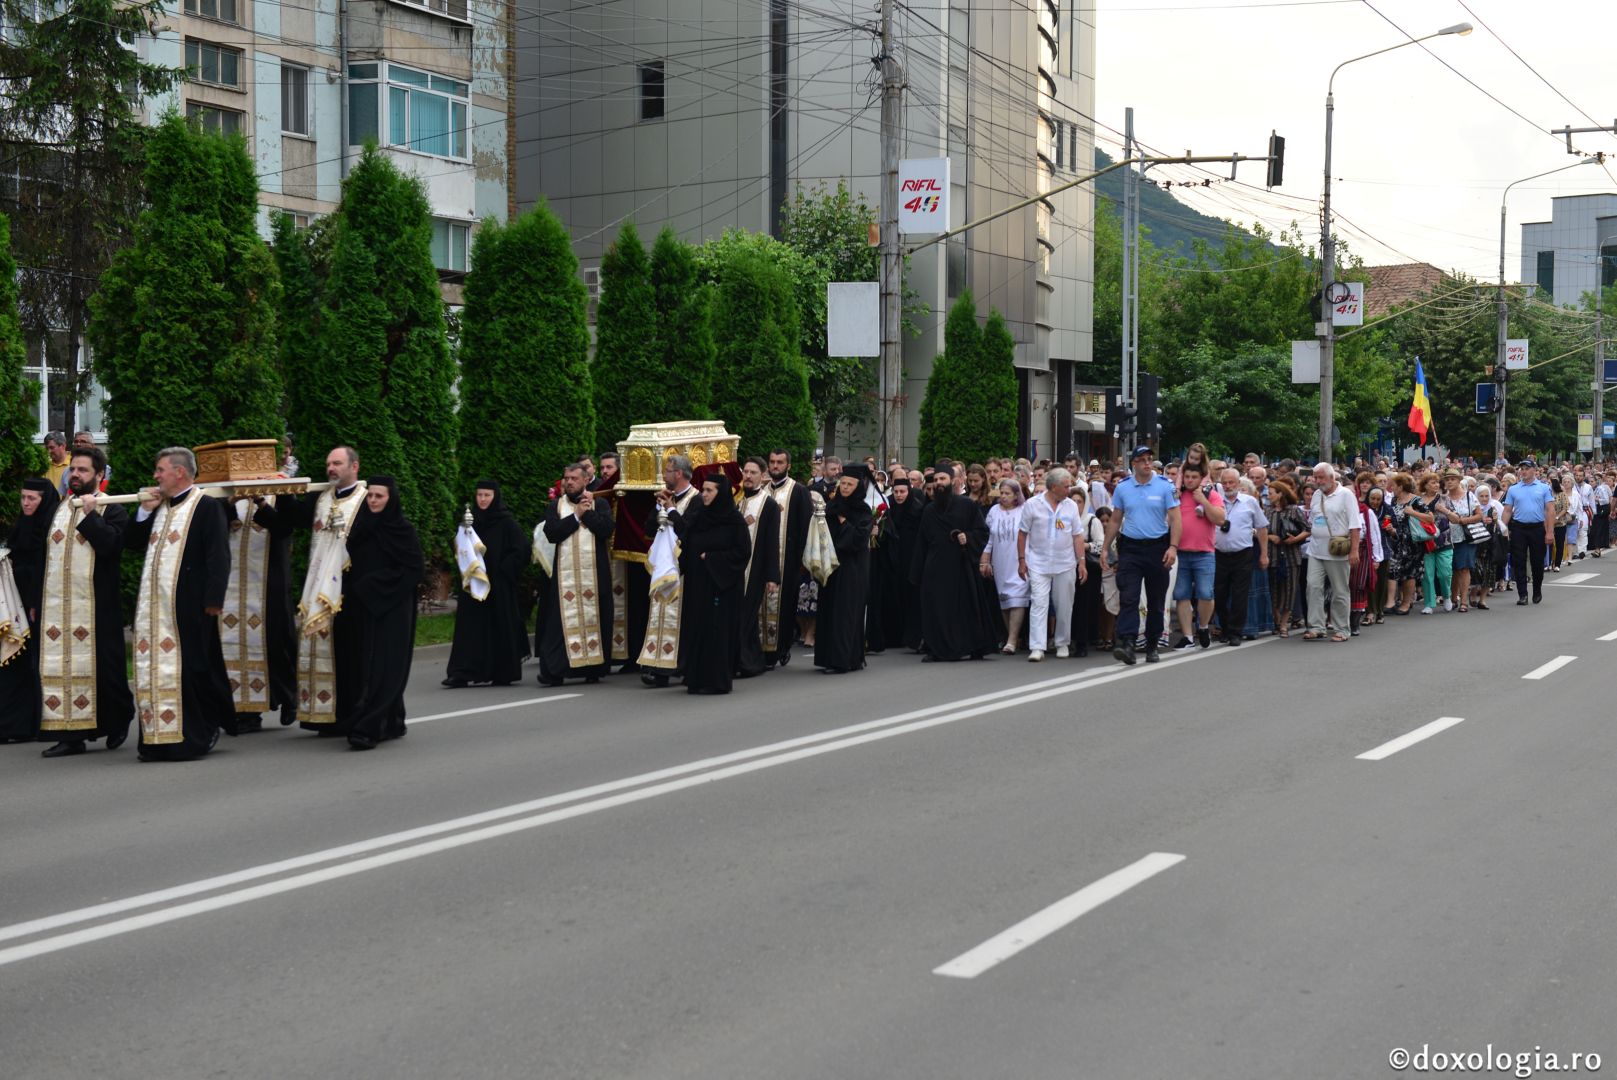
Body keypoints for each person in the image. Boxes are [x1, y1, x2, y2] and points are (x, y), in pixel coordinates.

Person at [124, 447, 235, 761]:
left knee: (192, 671)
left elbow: (218, 556)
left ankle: (196, 735)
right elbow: (131, 542)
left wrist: (214, 599)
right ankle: (157, 739)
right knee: (155, 673)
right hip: (155, 609)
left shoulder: (206, 506)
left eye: (160, 470)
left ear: (180, 472)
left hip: (191, 606)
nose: (155, 476)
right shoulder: (159, 506)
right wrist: (144, 511)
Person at [33, 448, 135, 755]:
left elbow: (111, 547)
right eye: (73, 469)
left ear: (99, 476)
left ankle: (119, 718)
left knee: (106, 670)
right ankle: (71, 734)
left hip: (96, 607)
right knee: (61, 668)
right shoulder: (59, 508)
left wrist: (91, 514)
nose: (75, 474)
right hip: (57, 609)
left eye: (83, 470)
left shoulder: (111, 509)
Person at [281, 447, 368, 734]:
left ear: (354, 466)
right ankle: (322, 715)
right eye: (329, 463)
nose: (331, 468)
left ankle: (348, 715)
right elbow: (290, 518)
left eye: (338, 463)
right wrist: (278, 490)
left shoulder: (365, 501)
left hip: (349, 594)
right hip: (318, 589)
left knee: (348, 656)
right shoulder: (320, 499)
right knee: (320, 649)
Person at [343, 476, 423, 750]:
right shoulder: (362, 527)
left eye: (380, 496)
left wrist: (373, 586)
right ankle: (392, 720)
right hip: (364, 608)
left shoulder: (402, 530)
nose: (374, 501)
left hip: (393, 608)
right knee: (366, 665)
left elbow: (413, 569)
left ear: (391, 499)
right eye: (371, 496)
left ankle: (368, 728)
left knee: (385, 666)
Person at [444, 480, 531, 688]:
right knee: (470, 629)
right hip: (474, 586)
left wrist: (503, 571)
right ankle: (462, 672)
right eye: (479, 495)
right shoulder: (469, 523)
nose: (482, 499)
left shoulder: (506, 523)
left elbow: (522, 550)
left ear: (495, 497)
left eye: (487, 495)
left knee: (498, 625)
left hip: (498, 586)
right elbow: (461, 548)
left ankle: (501, 671)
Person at [537, 464, 614, 686]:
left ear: (585, 481)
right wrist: (575, 516)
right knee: (558, 625)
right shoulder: (556, 506)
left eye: (573, 478)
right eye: (566, 478)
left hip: (595, 577)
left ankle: (593, 668)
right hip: (565, 580)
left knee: (596, 620)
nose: (569, 482)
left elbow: (606, 529)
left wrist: (586, 513)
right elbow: (552, 533)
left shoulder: (599, 503)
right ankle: (554, 671)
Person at [911, 460, 996, 663]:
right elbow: (921, 542)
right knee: (936, 608)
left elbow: (982, 532)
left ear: (953, 481)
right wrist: (917, 572)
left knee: (963, 608)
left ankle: (967, 646)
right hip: (935, 567)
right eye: (937, 479)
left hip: (961, 566)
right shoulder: (929, 510)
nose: (939, 483)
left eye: (943, 479)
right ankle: (937, 648)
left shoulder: (966, 505)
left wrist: (968, 537)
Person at [1101, 446, 1180, 665]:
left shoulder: (1166, 486)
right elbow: (1116, 519)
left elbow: (1175, 518)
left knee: (1155, 601)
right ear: (1133, 463)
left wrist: (1173, 547)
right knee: (1129, 597)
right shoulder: (1124, 487)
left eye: (1149, 459)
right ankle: (1127, 642)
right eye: (1142, 460)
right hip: (1131, 549)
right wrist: (1106, 547)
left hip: (1157, 548)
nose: (1147, 463)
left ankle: (1152, 644)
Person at [677, 471, 753, 694]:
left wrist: (711, 558)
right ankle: (695, 678)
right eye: (703, 490)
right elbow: (686, 544)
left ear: (721, 493)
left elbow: (741, 553)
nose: (704, 494)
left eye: (710, 490)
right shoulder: (700, 517)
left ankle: (716, 681)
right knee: (696, 630)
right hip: (697, 585)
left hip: (722, 587)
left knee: (717, 633)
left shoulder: (734, 521)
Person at [0, 479, 57, 744]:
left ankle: (39, 721)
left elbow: (46, 568)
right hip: (15, 603)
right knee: (16, 661)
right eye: (23, 497)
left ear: (43, 500)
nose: (26, 503)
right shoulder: (21, 526)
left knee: (37, 662)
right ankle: (15, 723)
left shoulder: (50, 526)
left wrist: (35, 600)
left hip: (39, 603)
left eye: (32, 498)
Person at [640, 455, 700, 687]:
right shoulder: (663, 499)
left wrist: (672, 509)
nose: (663, 475)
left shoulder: (696, 499)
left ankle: (676, 668)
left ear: (679, 474)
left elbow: (689, 532)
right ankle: (656, 665)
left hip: (684, 569)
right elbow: (648, 530)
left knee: (681, 620)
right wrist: (659, 507)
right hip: (663, 568)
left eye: (667, 471)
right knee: (658, 616)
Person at [1017, 467, 1084, 661]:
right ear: (1054, 487)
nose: (1069, 489)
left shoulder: (1070, 506)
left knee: (1064, 605)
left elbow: (1077, 536)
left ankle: (1062, 642)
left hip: (1065, 562)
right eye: (1066, 486)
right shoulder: (1032, 504)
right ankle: (1037, 647)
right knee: (1039, 602)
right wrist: (1022, 560)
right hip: (1038, 561)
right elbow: (1022, 533)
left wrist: (1081, 562)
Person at [814, 464, 873, 674]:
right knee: (830, 610)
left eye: (850, 484)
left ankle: (845, 660)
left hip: (852, 568)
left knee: (846, 613)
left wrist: (844, 522)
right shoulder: (831, 507)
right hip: (832, 566)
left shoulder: (863, 511)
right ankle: (827, 657)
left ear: (858, 487)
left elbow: (858, 540)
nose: (846, 488)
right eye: (843, 484)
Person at [761, 449, 813, 668]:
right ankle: (760, 646)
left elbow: (805, 526)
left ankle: (779, 648)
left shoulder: (798, 491)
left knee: (783, 605)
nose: (775, 466)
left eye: (780, 462)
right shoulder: (762, 490)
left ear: (788, 466)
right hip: (762, 560)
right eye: (772, 462)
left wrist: (802, 560)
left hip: (788, 560)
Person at [1171, 462, 1226, 651]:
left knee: (1205, 593)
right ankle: (1187, 636)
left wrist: (1203, 500)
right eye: (1187, 477)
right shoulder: (1177, 496)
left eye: (1194, 477)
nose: (1190, 480)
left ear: (1201, 478)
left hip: (1204, 553)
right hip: (1180, 552)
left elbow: (1220, 519)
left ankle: (1202, 627)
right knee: (1182, 595)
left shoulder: (1211, 495)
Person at [735, 458, 782, 678]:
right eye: (745, 471)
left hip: (755, 569)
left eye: (753, 472)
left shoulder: (769, 504)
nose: (748, 476)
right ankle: (747, 659)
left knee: (745, 616)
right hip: (733, 569)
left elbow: (773, 542)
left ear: (762, 475)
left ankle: (747, 662)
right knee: (739, 617)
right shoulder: (736, 499)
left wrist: (772, 576)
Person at [1304, 464, 1359, 642]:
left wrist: (1354, 551)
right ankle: (1316, 626)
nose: (1318, 481)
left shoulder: (1346, 495)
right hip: (1316, 548)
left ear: (1332, 478)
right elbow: (1313, 519)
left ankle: (1342, 628)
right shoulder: (1317, 495)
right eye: (1316, 478)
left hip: (1337, 550)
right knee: (1313, 586)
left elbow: (1355, 525)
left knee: (1339, 590)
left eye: (1321, 478)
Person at [1212, 467, 1267, 646]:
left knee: (1239, 595)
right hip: (1219, 554)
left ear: (1238, 483)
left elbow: (1261, 527)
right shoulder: (1215, 501)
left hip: (1243, 554)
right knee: (1219, 595)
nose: (1228, 486)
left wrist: (1264, 554)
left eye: (1231, 483)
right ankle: (1225, 628)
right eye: (1225, 483)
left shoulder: (1250, 502)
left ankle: (1235, 631)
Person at [981, 478, 1029, 653]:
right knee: (1005, 600)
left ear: (1016, 495)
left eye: (1007, 493)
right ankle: (1013, 636)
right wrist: (985, 561)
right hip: (1000, 560)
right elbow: (989, 540)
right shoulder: (994, 511)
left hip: (1020, 559)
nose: (1003, 497)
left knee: (1017, 597)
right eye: (1001, 493)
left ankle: (1012, 640)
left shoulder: (1024, 510)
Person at [879, 474, 924, 651]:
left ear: (909, 491)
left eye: (902, 491)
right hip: (892, 559)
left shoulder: (917, 509)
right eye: (896, 491)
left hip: (910, 558)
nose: (899, 495)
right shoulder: (888, 509)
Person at [1501, 459, 1552, 605]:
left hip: (1537, 528)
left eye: (1527, 468)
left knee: (1537, 561)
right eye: (1521, 468)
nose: (1523, 471)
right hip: (1519, 528)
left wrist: (1549, 531)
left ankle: (1537, 590)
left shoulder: (1544, 487)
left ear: (1534, 470)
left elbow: (1550, 510)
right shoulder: (1514, 489)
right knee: (1518, 561)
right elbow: (1507, 510)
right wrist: (1502, 527)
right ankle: (1522, 594)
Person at [1266, 480, 1308, 635]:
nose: (1268, 496)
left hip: (1291, 556)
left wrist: (1294, 540)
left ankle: (1284, 623)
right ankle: (1276, 620)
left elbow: (1307, 529)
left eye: (1271, 493)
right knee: (1273, 590)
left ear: (1280, 494)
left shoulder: (1293, 510)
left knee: (1289, 590)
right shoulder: (1267, 511)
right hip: (1272, 555)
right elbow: (1259, 530)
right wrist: (1271, 537)